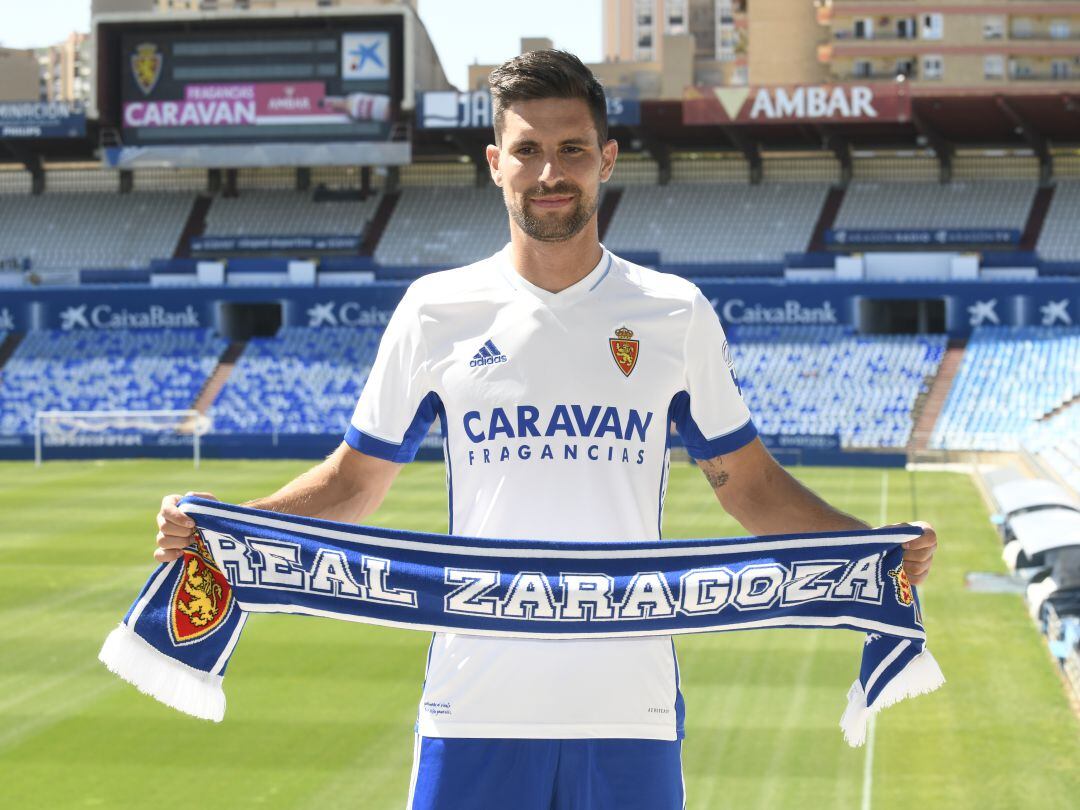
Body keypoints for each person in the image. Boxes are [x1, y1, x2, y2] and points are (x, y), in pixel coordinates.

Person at [155, 50, 937, 810]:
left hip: (629, 706)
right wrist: (225, 532)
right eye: (527, 151)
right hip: (477, 705)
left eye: (571, 150)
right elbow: (355, 484)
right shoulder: (436, 311)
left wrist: (873, 553)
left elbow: (753, 490)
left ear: (608, 159)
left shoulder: (674, 312)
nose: (550, 173)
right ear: (495, 162)